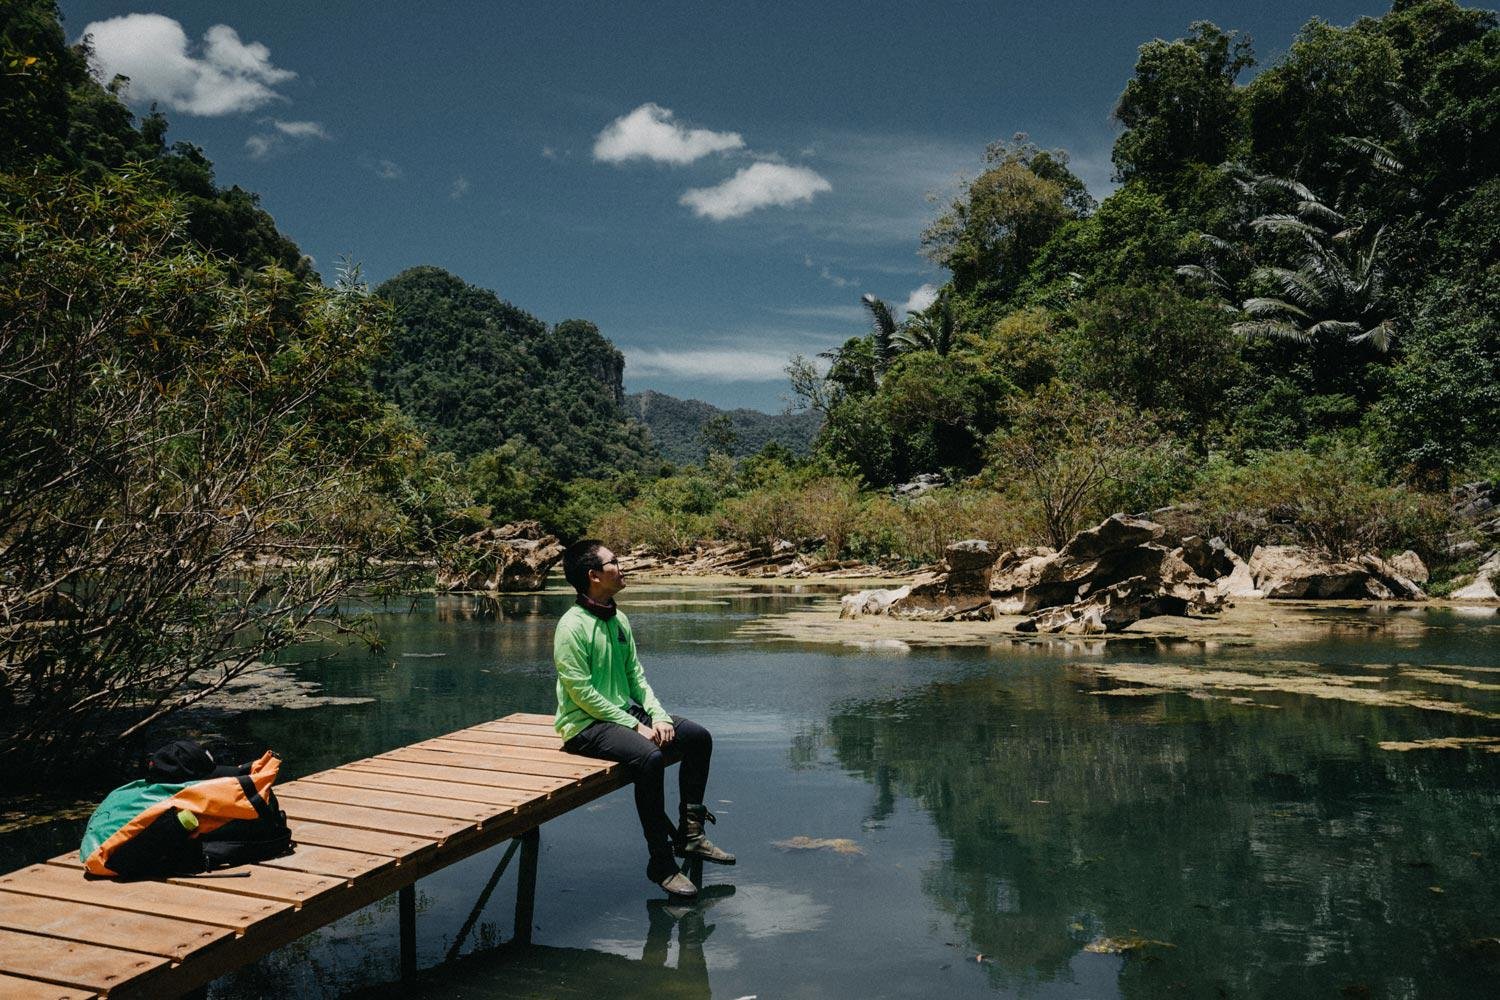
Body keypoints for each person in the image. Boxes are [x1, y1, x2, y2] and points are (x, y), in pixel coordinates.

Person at [554, 539, 735, 897]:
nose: (622, 567)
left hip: (623, 712)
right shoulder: (571, 626)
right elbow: (581, 692)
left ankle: (691, 836)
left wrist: (658, 716)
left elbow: (636, 676)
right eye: (614, 563)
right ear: (593, 576)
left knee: (697, 737)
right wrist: (635, 726)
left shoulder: (618, 618)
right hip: (584, 724)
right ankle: (660, 862)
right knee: (648, 758)